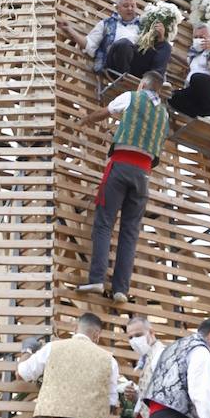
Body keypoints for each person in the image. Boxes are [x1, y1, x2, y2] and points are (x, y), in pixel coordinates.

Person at [77, 71, 169, 302]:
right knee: (130, 233)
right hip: (144, 175)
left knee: (104, 223)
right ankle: (120, 290)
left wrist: (85, 120)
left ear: (142, 84)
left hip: (122, 165)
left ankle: (96, 280)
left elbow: (105, 112)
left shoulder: (131, 97)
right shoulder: (164, 115)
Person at [61, 0, 144, 76]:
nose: (130, 9)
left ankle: (151, 81)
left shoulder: (142, 27)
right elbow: (89, 43)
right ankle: (125, 78)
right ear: (117, 8)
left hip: (136, 67)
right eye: (126, 6)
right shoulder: (106, 24)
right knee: (124, 43)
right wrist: (70, 30)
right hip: (114, 67)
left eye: (133, 6)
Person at [169, 24, 210, 120]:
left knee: (197, 77)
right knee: (172, 97)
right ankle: (202, 116)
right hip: (197, 92)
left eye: (201, 37)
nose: (198, 39)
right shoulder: (193, 55)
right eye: (196, 37)